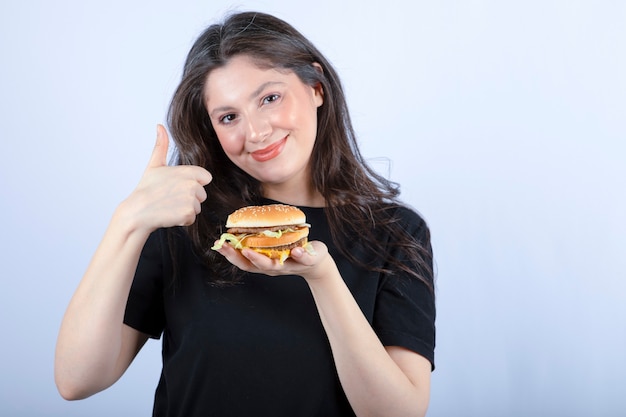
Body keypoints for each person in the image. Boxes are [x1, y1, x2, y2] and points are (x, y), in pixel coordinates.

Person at [54, 11, 436, 417]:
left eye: (270, 98)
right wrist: (128, 220)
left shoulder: (395, 232)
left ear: (317, 88)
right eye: (229, 117)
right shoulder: (187, 223)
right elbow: (77, 380)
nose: (255, 133)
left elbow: (398, 413)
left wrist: (321, 277)